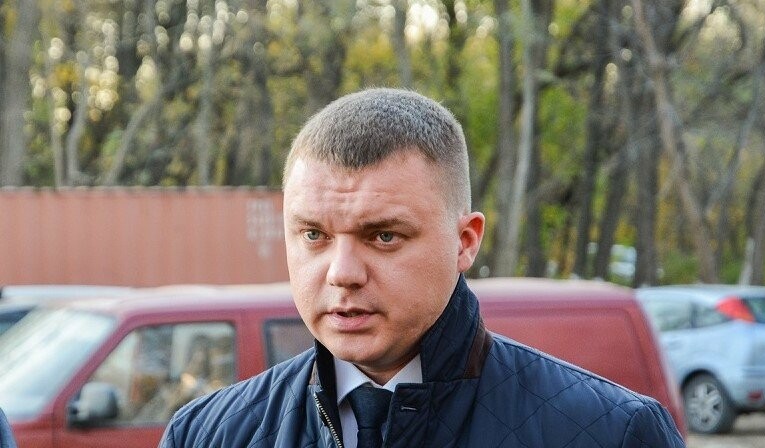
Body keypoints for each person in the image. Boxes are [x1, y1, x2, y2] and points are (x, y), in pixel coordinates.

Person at [160, 88, 684, 447]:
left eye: (383, 236)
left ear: (465, 241)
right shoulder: (205, 435)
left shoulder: (612, 433)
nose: (342, 273)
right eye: (314, 235)